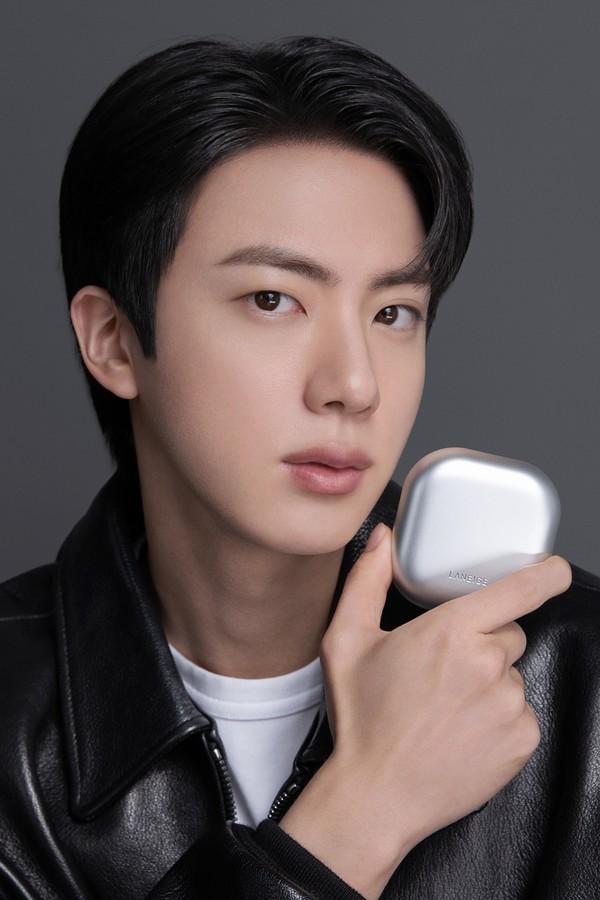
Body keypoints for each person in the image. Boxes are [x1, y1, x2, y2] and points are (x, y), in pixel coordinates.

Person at [0, 35, 598, 900]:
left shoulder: (580, 684)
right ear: (114, 341)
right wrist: (366, 811)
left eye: (393, 313)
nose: (354, 385)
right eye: (273, 299)